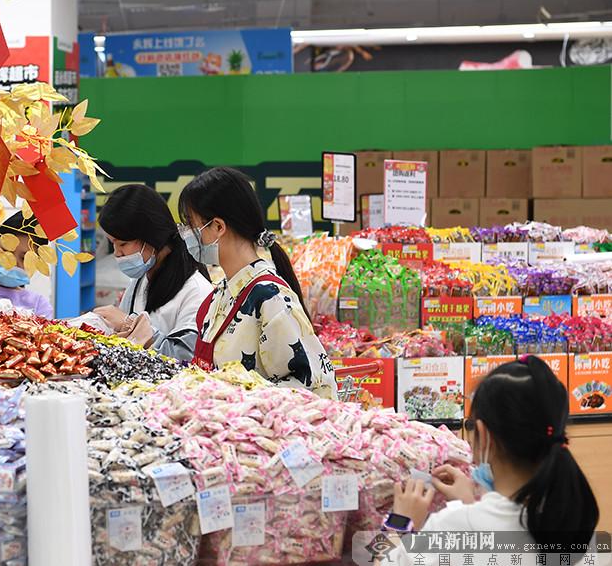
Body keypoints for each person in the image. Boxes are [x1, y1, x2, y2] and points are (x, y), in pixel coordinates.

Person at [386, 356, 598, 560]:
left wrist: (400, 524)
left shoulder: (449, 528)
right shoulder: (575, 521)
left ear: (484, 436)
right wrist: (468, 507)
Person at [178, 167, 337, 397]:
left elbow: (314, 390)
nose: (185, 234)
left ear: (218, 227)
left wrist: (235, 396)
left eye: (190, 225)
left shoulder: (271, 298)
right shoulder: (219, 295)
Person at [94, 184, 213, 362]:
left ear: (150, 236)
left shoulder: (196, 290)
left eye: (122, 244)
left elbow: (186, 358)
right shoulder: (141, 280)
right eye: (113, 244)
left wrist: (131, 325)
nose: (117, 253)